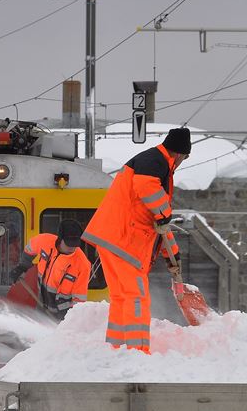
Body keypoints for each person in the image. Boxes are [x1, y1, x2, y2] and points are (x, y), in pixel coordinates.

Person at [80, 126, 190, 353]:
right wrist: (164, 213)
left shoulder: (154, 166)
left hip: (112, 239)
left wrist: (173, 256)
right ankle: (137, 352)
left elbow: (160, 224)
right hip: (125, 241)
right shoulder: (155, 162)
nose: (182, 163)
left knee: (121, 297)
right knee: (137, 296)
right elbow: (149, 192)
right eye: (185, 158)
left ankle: (116, 347)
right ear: (179, 153)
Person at [10, 219, 92, 320]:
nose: (72, 247)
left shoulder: (83, 265)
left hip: (63, 314)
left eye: (75, 244)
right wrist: (22, 267)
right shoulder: (44, 241)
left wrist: (70, 319)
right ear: (60, 238)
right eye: (69, 243)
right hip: (42, 302)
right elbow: (30, 249)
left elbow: (79, 299)